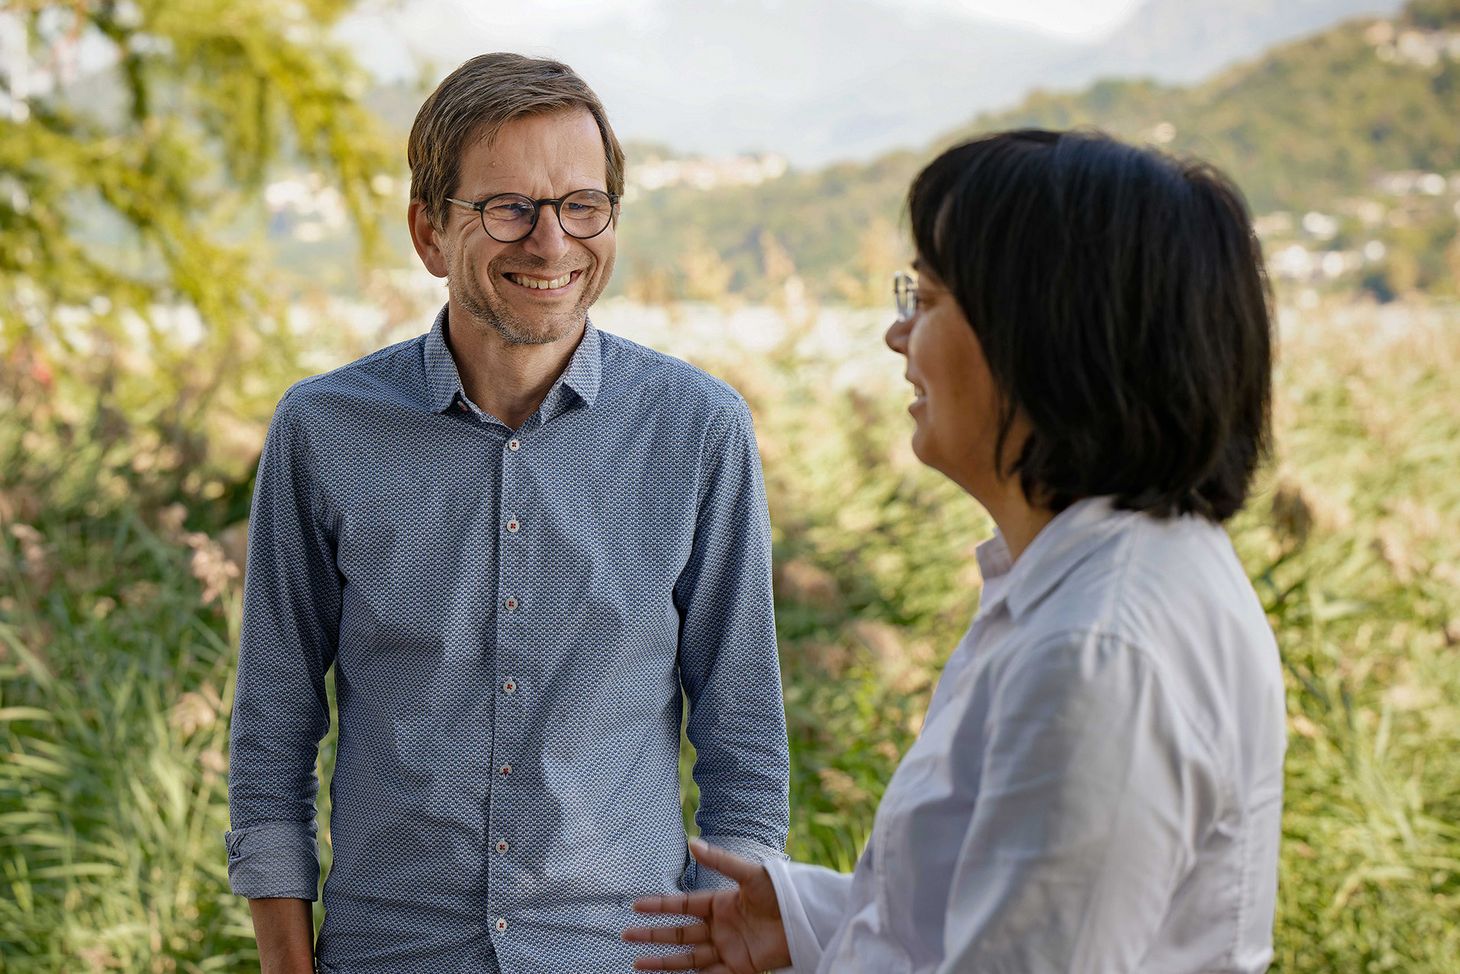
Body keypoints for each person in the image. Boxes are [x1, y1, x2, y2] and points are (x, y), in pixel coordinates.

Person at [625, 129, 1287, 973]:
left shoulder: (1097, 651)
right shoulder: (1087, 585)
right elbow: (991, 917)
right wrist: (813, 921)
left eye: (928, 301)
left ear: (1042, 338)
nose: (897, 335)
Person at [225, 53, 790, 974]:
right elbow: (274, 731)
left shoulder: (698, 430)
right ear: (428, 232)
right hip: (391, 953)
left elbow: (746, 746)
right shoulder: (322, 431)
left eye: (582, 204)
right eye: (509, 208)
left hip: (625, 957)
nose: (552, 242)